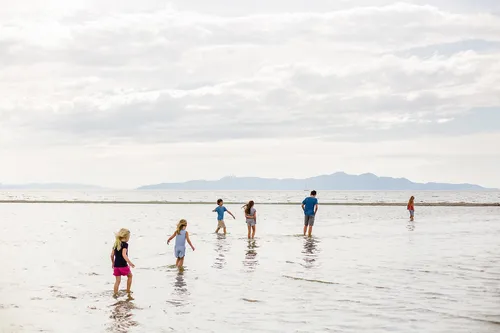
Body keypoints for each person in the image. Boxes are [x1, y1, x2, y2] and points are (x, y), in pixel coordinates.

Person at [110, 228, 135, 298]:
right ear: (126, 237)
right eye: (129, 237)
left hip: (116, 266)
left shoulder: (116, 244)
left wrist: (113, 263)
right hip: (123, 266)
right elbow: (124, 254)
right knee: (130, 276)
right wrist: (129, 262)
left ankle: (115, 294)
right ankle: (128, 291)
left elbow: (111, 255)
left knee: (117, 281)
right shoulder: (125, 244)